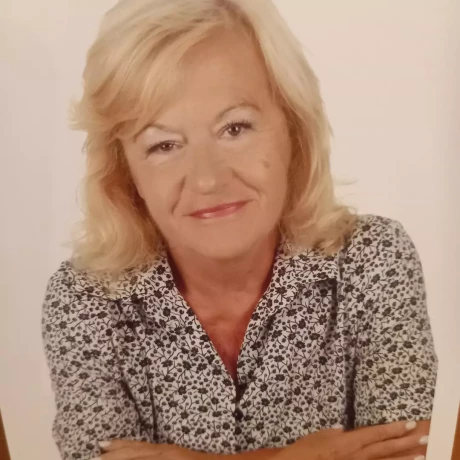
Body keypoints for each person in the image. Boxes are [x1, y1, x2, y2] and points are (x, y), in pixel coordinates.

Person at [42, 1, 437, 459]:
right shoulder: (84, 300)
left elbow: (412, 451)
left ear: (293, 129)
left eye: (235, 128)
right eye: (164, 144)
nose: (208, 179)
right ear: (125, 173)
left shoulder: (374, 260)